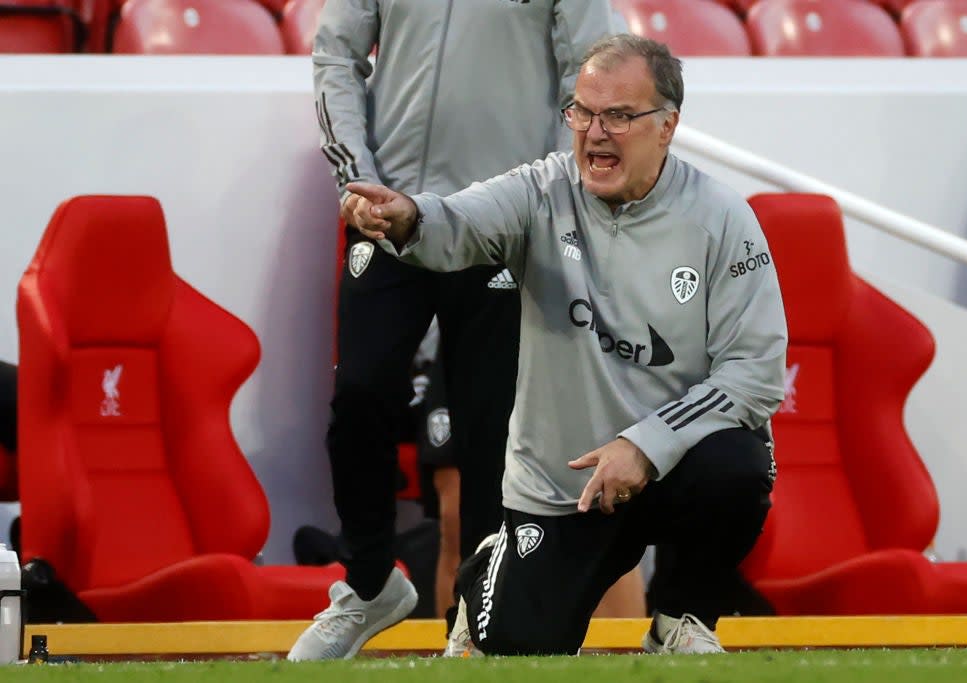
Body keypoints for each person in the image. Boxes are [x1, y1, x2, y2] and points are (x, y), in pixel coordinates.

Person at [343, 34, 787, 656]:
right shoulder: (539, 192)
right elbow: (460, 222)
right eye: (582, 110)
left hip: (670, 468)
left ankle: (683, 616)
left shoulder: (722, 218)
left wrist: (644, 445)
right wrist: (409, 216)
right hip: (563, 486)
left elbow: (756, 374)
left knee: (741, 465)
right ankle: (487, 575)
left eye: (619, 115)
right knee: (515, 652)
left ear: (667, 126)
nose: (595, 131)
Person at [287, 0, 614, 661]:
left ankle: (477, 607)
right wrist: (357, 176)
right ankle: (369, 582)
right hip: (389, 210)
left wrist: (546, 200)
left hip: (499, 218)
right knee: (359, 393)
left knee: (492, 425)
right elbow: (336, 55)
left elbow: (591, 77)